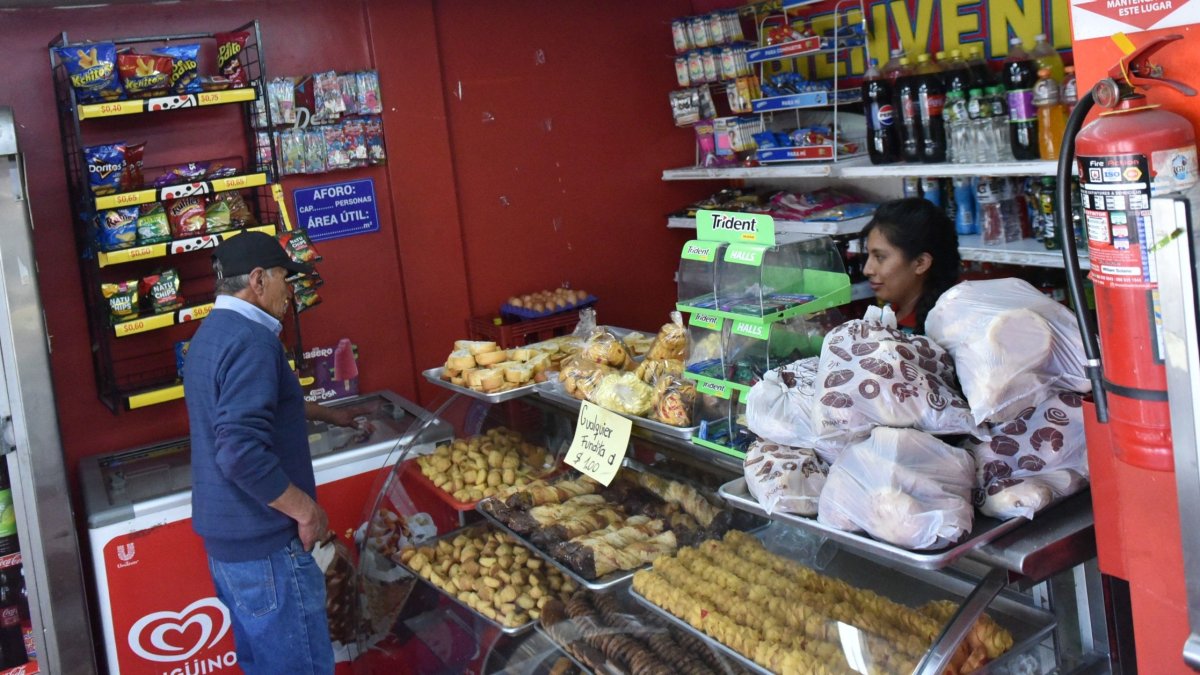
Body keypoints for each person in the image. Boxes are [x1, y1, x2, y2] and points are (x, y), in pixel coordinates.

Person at [184, 232, 350, 675]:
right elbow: (239, 452)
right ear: (257, 280)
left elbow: (251, 409)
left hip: (231, 549)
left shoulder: (211, 335)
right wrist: (306, 512)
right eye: (284, 278)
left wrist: (327, 416)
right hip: (267, 547)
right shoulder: (253, 341)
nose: (290, 290)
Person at [861, 197, 960, 334]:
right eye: (869, 255)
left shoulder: (949, 332)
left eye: (880, 257)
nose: (867, 270)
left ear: (921, 263)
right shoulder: (888, 316)